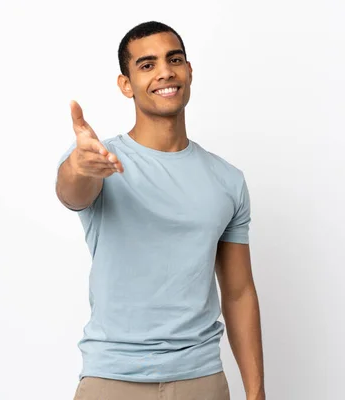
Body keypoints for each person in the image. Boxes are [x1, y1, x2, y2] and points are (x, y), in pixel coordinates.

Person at [55, 21, 265, 400]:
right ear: (126, 84)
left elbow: (238, 293)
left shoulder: (227, 180)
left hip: (201, 379)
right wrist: (79, 167)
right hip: (112, 379)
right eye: (147, 64)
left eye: (174, 59)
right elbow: (73, 194)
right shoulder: (99, 160)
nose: (165, 71)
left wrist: (256, 392)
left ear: (188, 71)